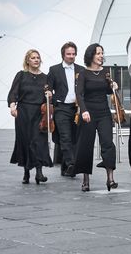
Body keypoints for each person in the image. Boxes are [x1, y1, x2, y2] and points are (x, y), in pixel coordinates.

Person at [73, 43, 119, 192]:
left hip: (104, 112)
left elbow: (107, 91)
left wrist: (113, 86)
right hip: (89, 113)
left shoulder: (105, 72)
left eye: (102, 53)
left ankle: (110, 179)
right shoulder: (83, 73)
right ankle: (85, 180)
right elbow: (79, 94)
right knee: (86, 145)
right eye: (98, 53)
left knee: (108, 143)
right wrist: (84, 111)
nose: (101, 56)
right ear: (91, 55)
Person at [8, 49, 53, 185]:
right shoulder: (21, 75)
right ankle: (26, 172)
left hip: (39, 113)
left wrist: (50, 94)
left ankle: (39, 172)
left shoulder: (45, 77)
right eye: (33, 58)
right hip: (23, 113)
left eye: (38, 57)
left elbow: (50, 95)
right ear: (27, 60)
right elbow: (13, 93)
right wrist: (12, 106)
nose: (36, 60)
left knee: (38, 141)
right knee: (26, 142)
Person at [46, 41, 82, 177]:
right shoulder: (54, 70)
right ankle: (72, 164)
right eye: (68, 54)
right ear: (63, 55)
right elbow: (48, 86)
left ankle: (66, 167)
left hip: (77, 108)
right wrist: (50, 94)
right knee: (65, 137)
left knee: (74, 138)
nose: (71, 56)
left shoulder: (81, 69)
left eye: (73, 54)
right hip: (61, 107)